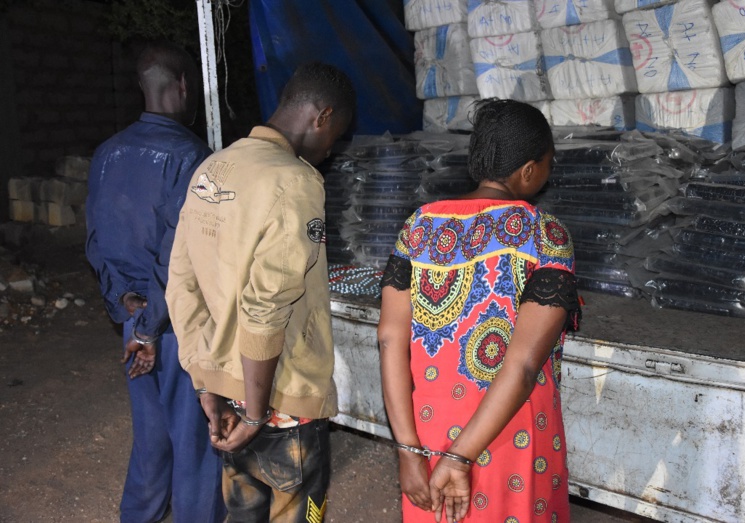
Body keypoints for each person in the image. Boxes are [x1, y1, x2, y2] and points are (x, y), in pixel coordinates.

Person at [166, 62, 356, 522]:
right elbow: (266, 306)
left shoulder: (212, 167)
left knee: (243, 512)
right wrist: (255, 414)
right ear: (322, 117)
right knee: (299, 510)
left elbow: (181, 285)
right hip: (279, 397)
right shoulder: (294, 180)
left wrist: (204, 381)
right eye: (338, 134)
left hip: (227, 393)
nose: (331, 150)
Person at [378, 99, 581, 523]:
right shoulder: (545, 236)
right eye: (548, 162)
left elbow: (389, 340)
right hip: (511, 436)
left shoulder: (419, 226)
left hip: (426, 435)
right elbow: (524, 365)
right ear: (528, 170)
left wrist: (408, 449)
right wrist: (461, 458)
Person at [85, 41, 225, 522]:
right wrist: (150, 326)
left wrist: (126, 308)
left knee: (150, 440)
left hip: (132, 322)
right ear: (184, 86)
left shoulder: (106, 153)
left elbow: (96, 240)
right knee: (196, 448)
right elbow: (178, 256)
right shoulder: (194, 158)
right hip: (174, 326)